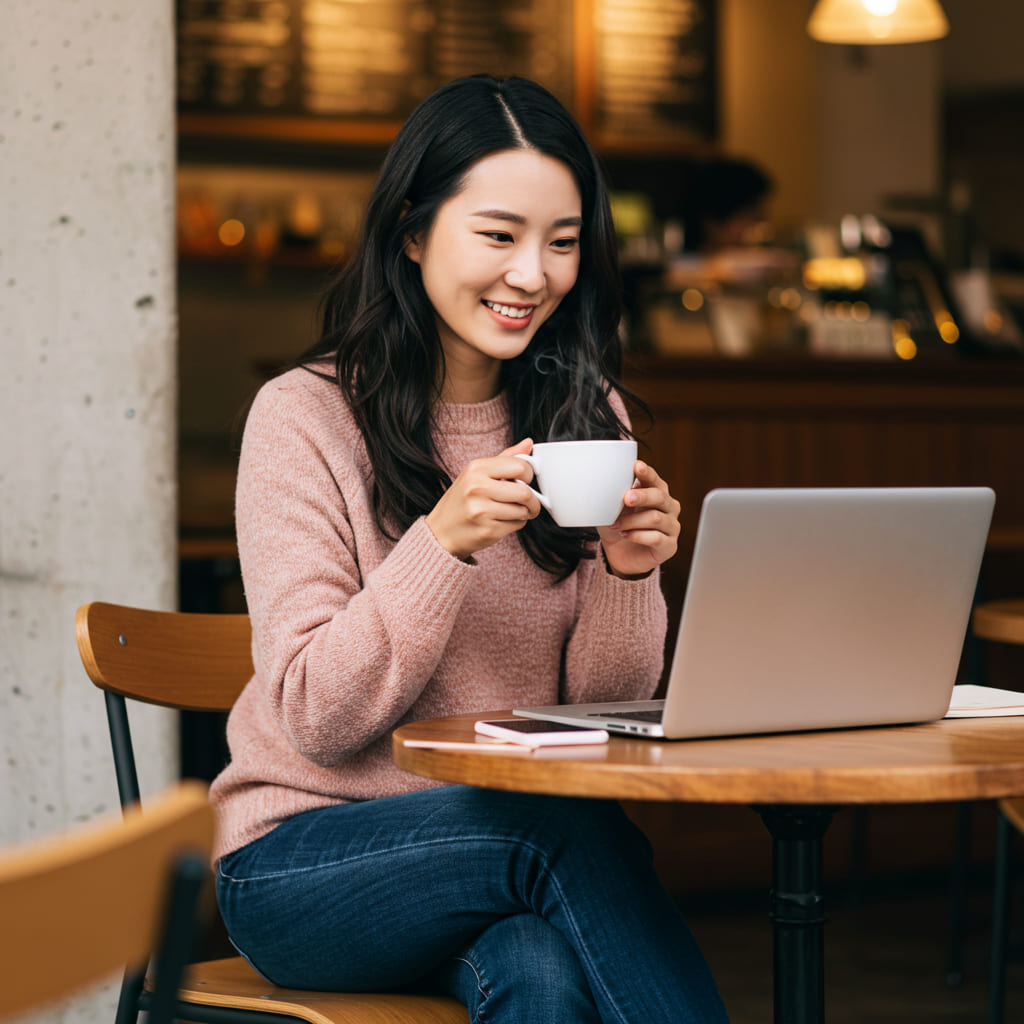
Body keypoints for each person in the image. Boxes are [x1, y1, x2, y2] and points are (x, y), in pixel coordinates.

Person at [210, 74, 729, 1023]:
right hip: (306, 859)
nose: (533, 275)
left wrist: (628, 572)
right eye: (499, 236)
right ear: (412, 234)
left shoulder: (584, 416)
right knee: (561, 834)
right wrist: (438, 544)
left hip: (506, 863)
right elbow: (319, 718)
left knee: (537, 973)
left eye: (563, 244)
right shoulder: (304, 418)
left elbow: (600, 720)